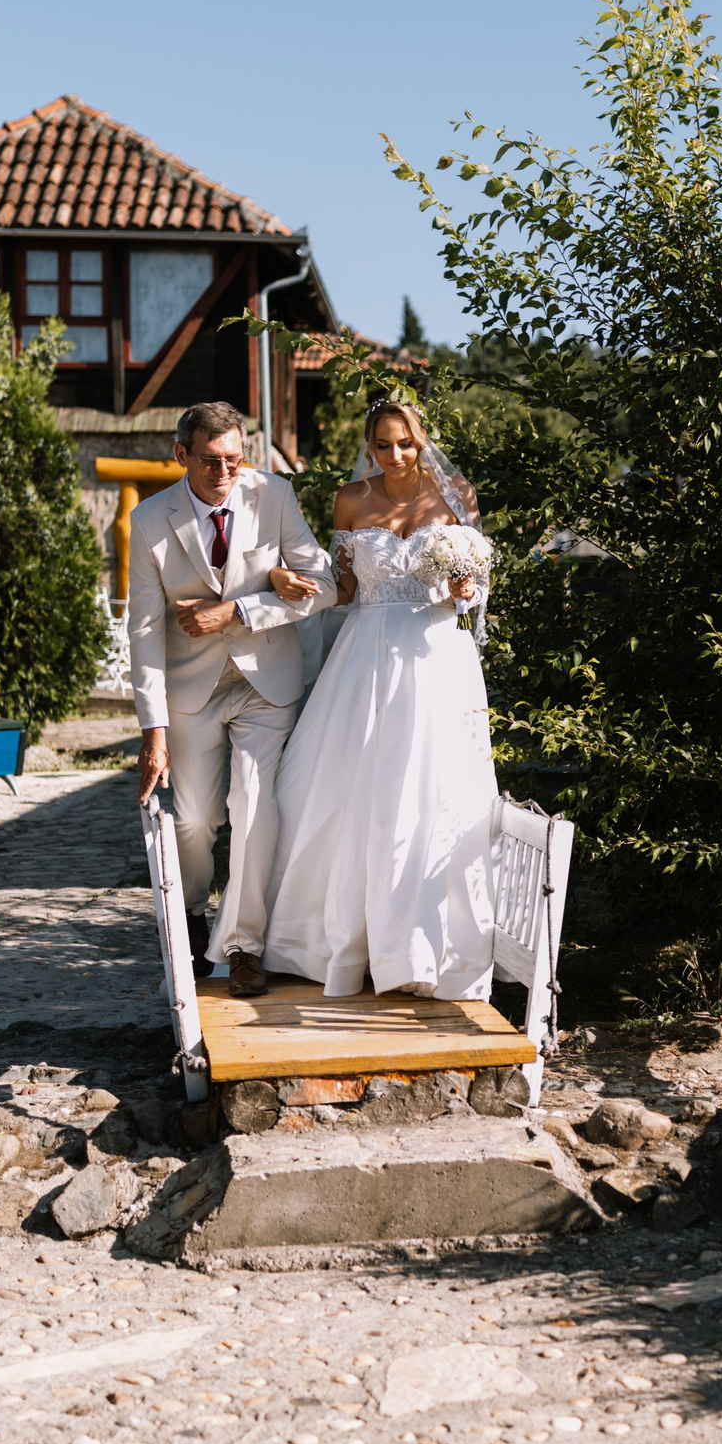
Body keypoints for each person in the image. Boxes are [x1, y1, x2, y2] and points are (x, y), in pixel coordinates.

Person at [259, 398, 498, 1000]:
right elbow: (342, 589)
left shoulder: (457, 495)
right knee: (346, 787)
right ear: (369, 445)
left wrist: (465, 589)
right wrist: (282, 580)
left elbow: (473, 595)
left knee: (427, 793)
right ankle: (328, 943)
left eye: (406, 443)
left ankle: (419, 949)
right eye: (383, 444)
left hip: (436, 655)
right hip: (365, 655)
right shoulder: (350, 499)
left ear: (422, 441)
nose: (394, 455)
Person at [128, 400, 337, 997]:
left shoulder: (273, 495)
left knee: (253, 804)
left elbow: (323, 585)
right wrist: (153, 729)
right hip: (191, 690)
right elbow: (143, 631)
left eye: (235, 460)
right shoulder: (149, 521)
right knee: (195, 820)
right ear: (181, 456)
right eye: (211, 461)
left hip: (266, 684)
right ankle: (191, 921)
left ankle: (244, 946)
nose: (226, 473)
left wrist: (239, 609)